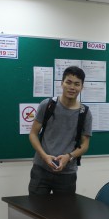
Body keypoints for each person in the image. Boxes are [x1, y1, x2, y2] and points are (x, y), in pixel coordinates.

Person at [28, 66, 93, 195]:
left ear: (82, 87)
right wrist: (44, 156)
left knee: (64, 208)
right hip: (41, 170)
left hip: (67, 174)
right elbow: (33, 134)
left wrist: (69, 157)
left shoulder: (85, 113)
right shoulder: (47, 105)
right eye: (68, 82)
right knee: (35, 207)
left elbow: (85, 145)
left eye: (77, 84)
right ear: (62, 83)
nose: (72, 87)